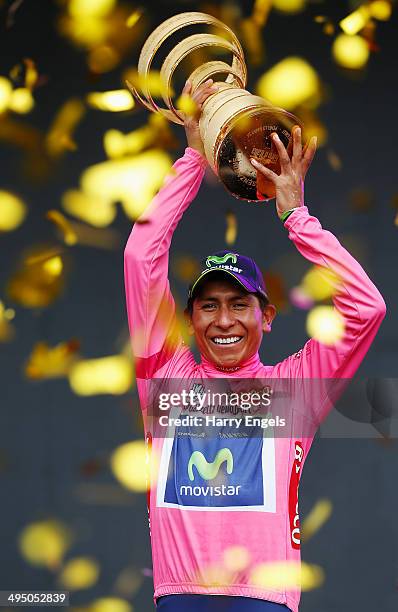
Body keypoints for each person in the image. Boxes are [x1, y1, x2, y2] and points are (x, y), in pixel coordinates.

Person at [123, 79, 386, 612]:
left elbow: (366, 308)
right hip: (180, 597)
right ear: (189, 320)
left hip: (262, 601)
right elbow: (140, 253)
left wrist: (297, 218)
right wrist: (195, 158)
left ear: (266, 317)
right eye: (209, 306)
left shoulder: (296, 388)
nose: (224, 320)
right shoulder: (163, 374)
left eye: (239, 305)